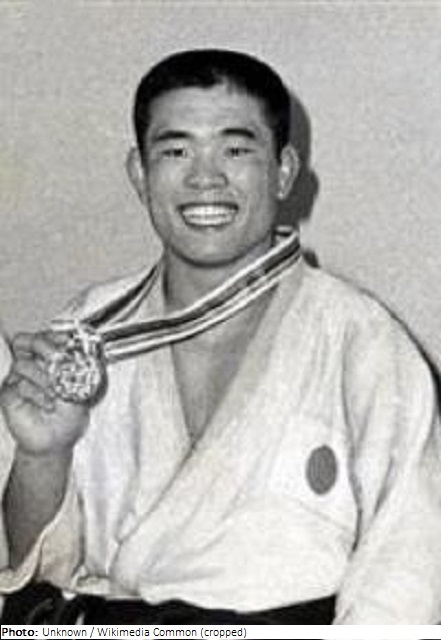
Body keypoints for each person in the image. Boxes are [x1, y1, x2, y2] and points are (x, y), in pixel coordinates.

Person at [1, 48, 441, 625]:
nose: (204, 178)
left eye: (236, 150)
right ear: (140, 174)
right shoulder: (90, 327)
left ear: (283, 171)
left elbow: (407, 572)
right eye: (175, 151)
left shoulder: (363, 342)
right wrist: (43, 455)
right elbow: (36, 566)